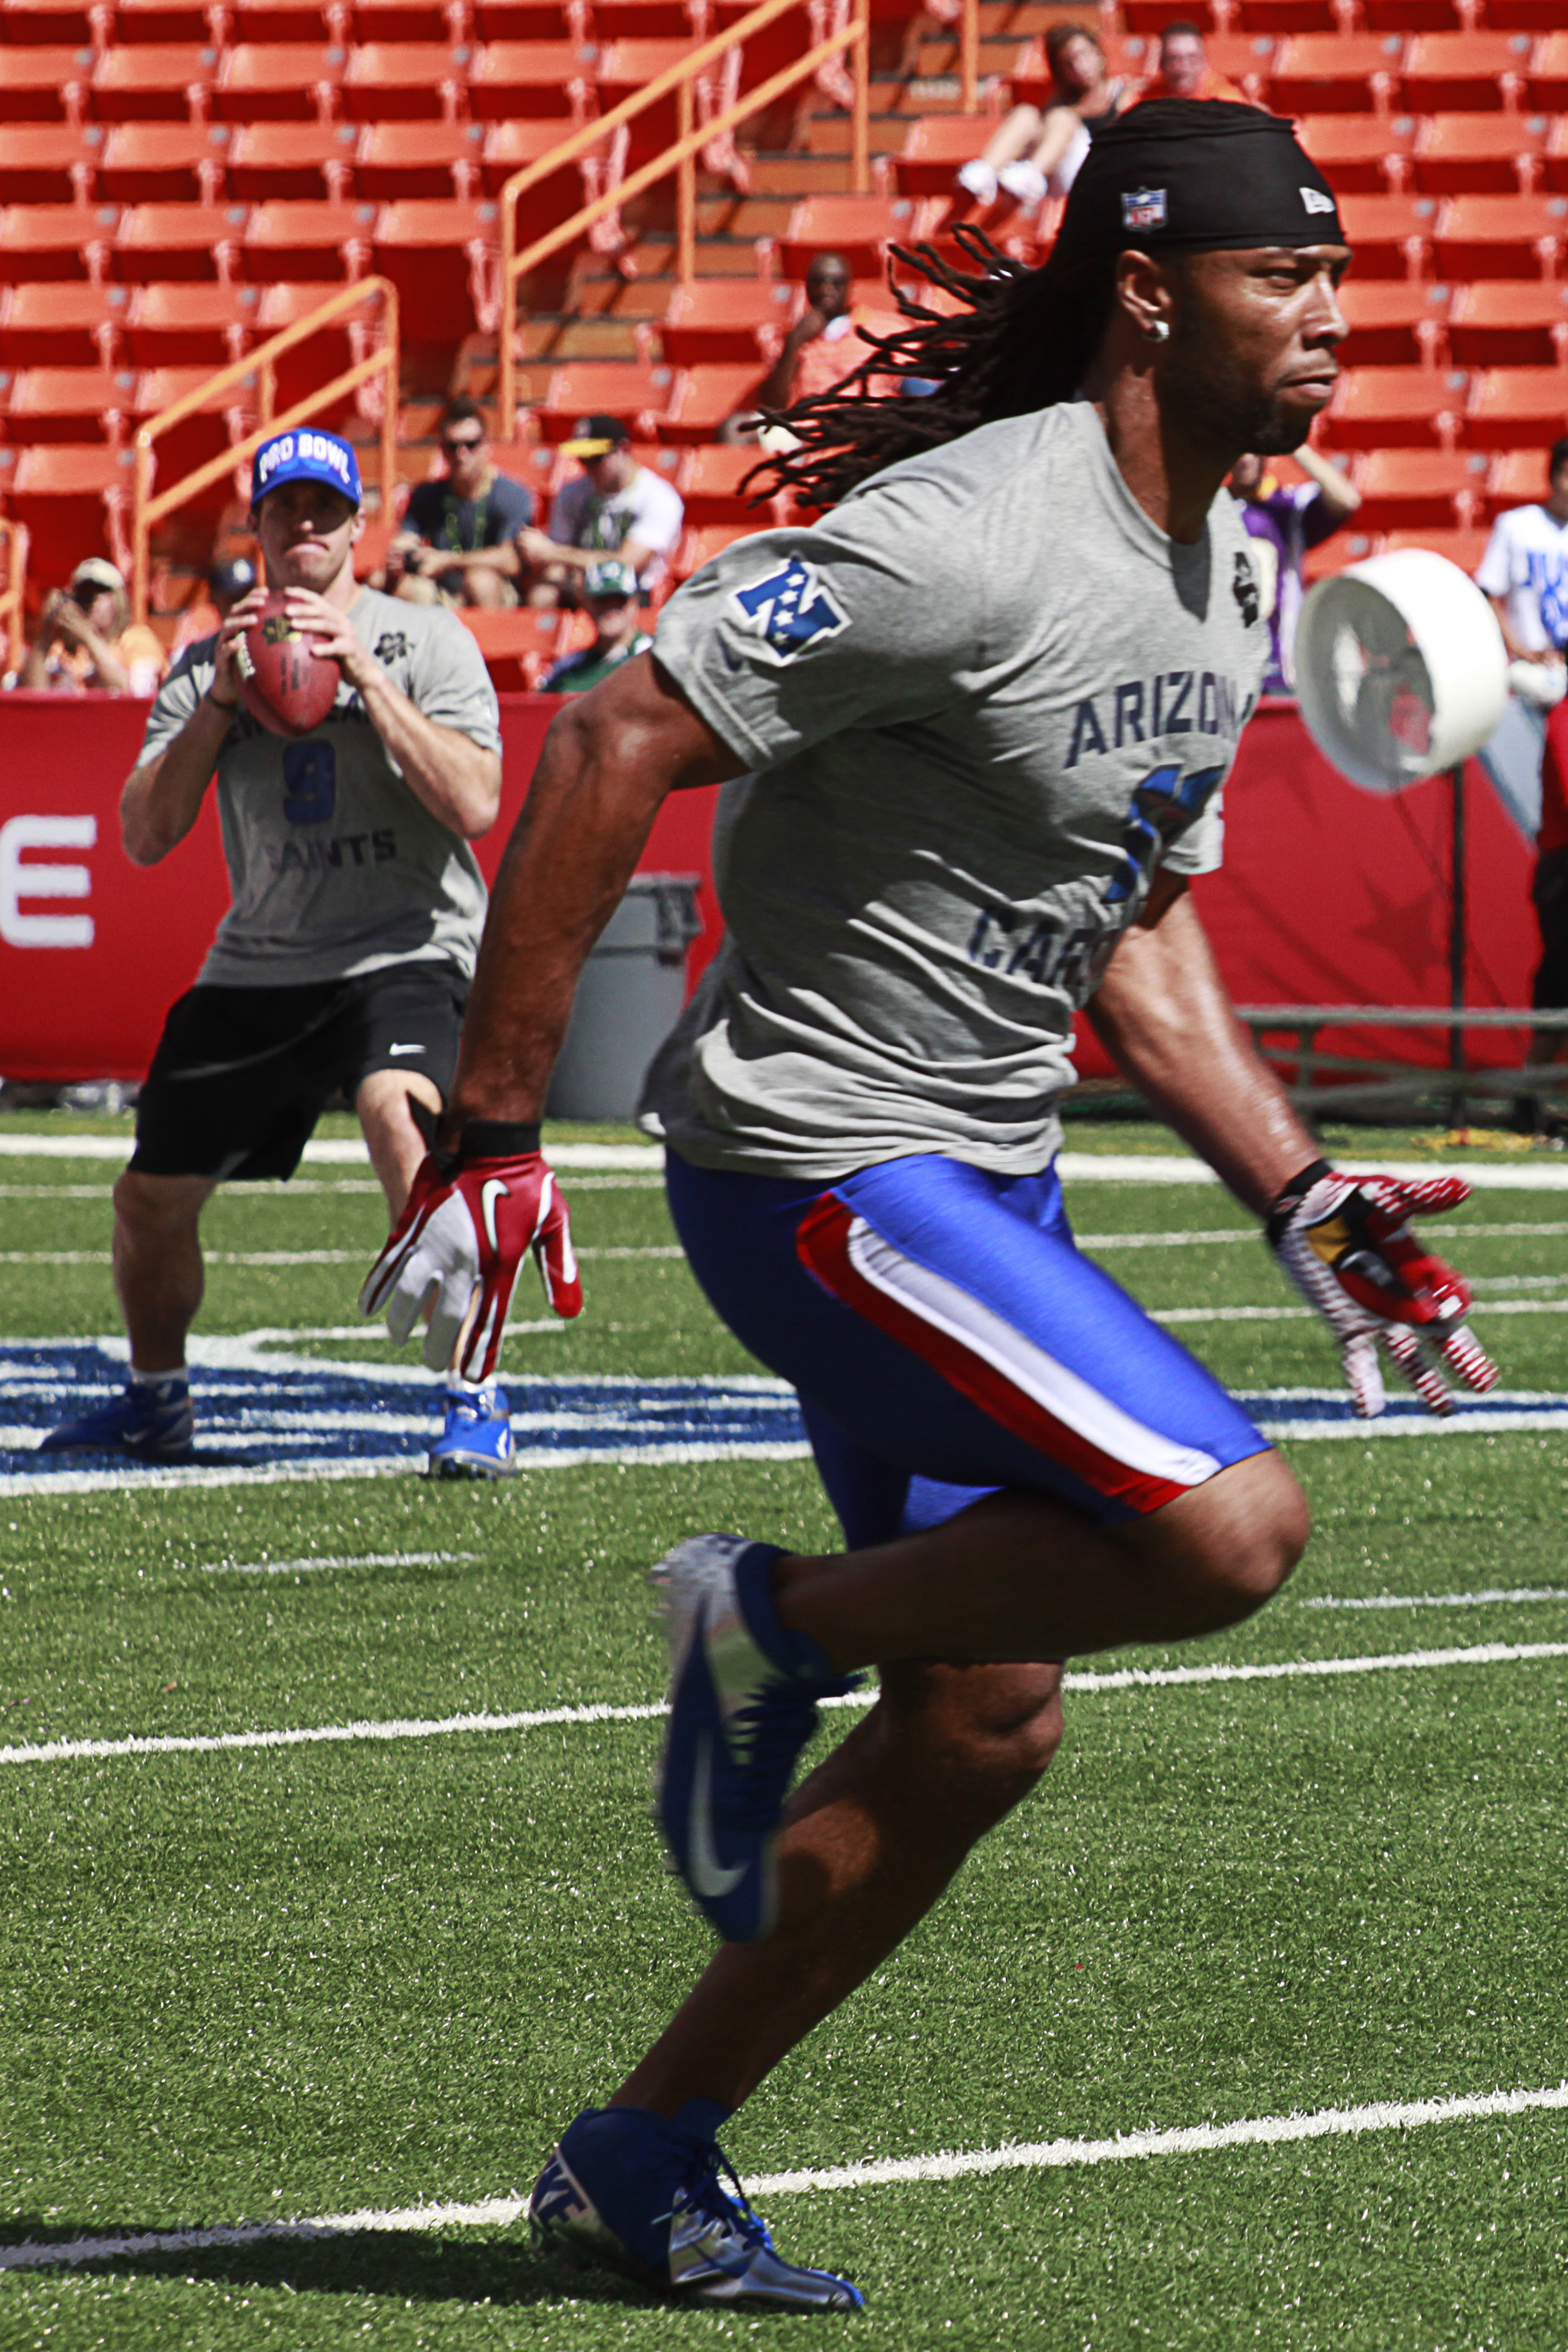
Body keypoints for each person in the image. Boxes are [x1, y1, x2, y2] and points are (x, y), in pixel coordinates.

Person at [363, 103, 1498, 2309]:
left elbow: (1139, 941)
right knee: (1230, 1528)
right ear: (1155, 288)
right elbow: (608, 740)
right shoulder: (965, 533)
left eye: (1345, 284)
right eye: (1292, 279)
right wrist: (500, 1134)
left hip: (988, 1167)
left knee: (986, 1721)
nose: (1336, 329)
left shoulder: (1238, 565)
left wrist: (1302, 1190)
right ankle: (761, 1613)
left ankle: (640, 2147)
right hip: (811, 1160)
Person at [38, 425, 513, 1481]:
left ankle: (475, 1395)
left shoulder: (420, 640)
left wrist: (369, 691)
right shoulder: (213, 654)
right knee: (149, 1195)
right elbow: (145, 834)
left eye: (324, 510)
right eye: (284, 509)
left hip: (406, 944)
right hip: (263, 959)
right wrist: (218, 699)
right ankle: (157, 1401)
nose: (305, 526)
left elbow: (477, 803)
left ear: (358, 526)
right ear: (256, 526)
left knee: (404, 1117)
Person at [957, 23, 1134, 214]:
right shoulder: (1059, 100)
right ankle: (987, 170)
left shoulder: (1122, 93)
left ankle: (1032, 175)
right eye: (1069, 63)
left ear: (1099, 55)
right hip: (1058, 176)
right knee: (1025, 113)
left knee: (1062, 117)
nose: (1079, 67)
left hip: (1097, 173)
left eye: (1084, 55)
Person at [1230, 445, 1361, 693]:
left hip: (1280, 669)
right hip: (1227, 672)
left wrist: (1295, 444)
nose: (1246, 459)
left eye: (1254, 450)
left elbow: (1346, 499)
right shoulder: (1212, 511)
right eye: (1239, 449)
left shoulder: (1287, 507)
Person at [515, 417, 684, 606]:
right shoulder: (573, 492)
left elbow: (627, 564)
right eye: (582, 458)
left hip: (633, 590)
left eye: (596, 458)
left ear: (623, 449)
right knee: (543, 593)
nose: (588, 467)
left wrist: (553, 553)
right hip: (581, 583)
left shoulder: (658, 497)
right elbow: (558, 551)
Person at [388, 398, 536, 610]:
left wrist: (448, 560)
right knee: (400, 587)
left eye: (471, 445)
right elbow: (406, 539)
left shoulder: (511, 494)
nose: (461, 454)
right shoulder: (427, 494)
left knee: (479, 581)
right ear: (442, 449)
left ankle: (490, 644)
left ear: (486, 447)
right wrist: (400, 556)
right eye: (453, 446)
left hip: (496, 590)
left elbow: (510, 560)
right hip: (442, 588)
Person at [750, 253, 908, 416]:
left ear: (849, 286)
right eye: (818, 281)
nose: (826, 289)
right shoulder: (789, 339)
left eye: (837, 283)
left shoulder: (886, 329)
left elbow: (916, 383)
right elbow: (774, 403)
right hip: (808, 427)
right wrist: (795, 342)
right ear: (807, 286)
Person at [1476, 435, 1568, 672]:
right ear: (1552, 477)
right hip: (1530, 666)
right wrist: (1517, 649)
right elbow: (1490, 594)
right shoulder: (1516, 526)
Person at [16, 557, 166, 696]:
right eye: (84, 594)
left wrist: (88, 636)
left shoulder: (137, 640)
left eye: (100, 593)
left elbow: (132, 693)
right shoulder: (59, 649)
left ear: (118, 601)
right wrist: (45, 635)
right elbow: (31, 697)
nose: (92, 603)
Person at [540, 558, 652, 693]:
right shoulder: (570, 669)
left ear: (635, 604)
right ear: (586, 604)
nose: (611, 610)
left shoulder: (653, 660)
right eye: (602, 600)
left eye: (620, 601)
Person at [1138, 20, 1251, 106]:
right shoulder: (1149, 102)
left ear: (1205, 63)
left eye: (1192, 59)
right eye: (1174, 59)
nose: (1184, 67)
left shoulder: (1225, 101)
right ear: (1161, 65)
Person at [169, 555, 258, 661]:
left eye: (246, 595)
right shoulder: (197, 650)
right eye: (232, 599)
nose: (240, 604)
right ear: (214, 598)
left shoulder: (267, 640)